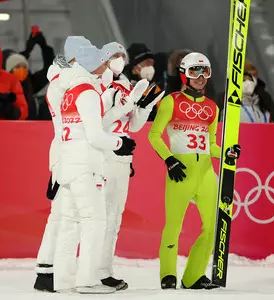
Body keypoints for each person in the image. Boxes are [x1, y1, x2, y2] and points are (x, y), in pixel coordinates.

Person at [148, 52, 240, 290]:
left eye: (205, 72)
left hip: (206, 172)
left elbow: (211, 146)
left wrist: (227, 152)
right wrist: (169, 160)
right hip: (181, 170)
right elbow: (154, 135)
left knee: (212, 226)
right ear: (184, 74)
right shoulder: (171, 101)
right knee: (174, 226)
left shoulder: (211, 108)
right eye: (194, 72)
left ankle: (193, 276)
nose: (200, 77)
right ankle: (168, 274)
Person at [53, 45, 136, 294]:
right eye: (101, 61)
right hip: (86, 165)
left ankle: (62, 279)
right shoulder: (88, 92)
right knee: (95, 220)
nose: (106, 66)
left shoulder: (69, 90)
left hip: (69, 163)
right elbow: (96, 135)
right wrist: (121, 143)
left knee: (69, 221)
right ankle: (87, 280)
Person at [97, 41, 162, 291]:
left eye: (122, 57)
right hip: (103, 153)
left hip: (123, 157)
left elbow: (132, 126)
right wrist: (126, 104)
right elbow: (99, 122)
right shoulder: (98, 83)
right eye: (114, 56)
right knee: (99, 217)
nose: (119, 61)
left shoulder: (125, 84)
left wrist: (143, 106)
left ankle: (104, 270)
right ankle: (89, 270)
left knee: (114, 218)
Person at [33, 35, 92, 293]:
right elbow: (62, 128)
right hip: (65, 151)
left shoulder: (65, 79)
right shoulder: (61, 83)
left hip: (68, 150)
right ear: (75, 56)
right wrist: (56, 165)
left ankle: (49, 270)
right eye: (87, 53)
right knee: (60, 216)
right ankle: (46, 271)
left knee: (65, 215)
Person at [3, 30, 55, 120]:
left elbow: (49, 70)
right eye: (17, 67)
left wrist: (44, 47)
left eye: (24, 67)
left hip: (31, 130)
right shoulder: (1, 88)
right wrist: (27, 51)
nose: (21, 70)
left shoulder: (29, 83)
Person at [125, 43, 164, 120]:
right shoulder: (124, 88)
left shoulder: (157, 89)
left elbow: (163, 115)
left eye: (151, 63)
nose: (150, 67)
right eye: (146, 63)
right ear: (134, 69)